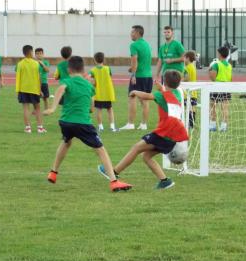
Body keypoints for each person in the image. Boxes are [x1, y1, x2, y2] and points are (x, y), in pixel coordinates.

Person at [43, 56, 132, 192]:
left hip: (66, 122)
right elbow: (91, 108)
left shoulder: (67, 81)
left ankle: (53, 172)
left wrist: (53, 107)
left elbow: (61, 88)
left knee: (66, 142)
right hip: (82, 123)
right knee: (101, 150)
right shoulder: (89, 86)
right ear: (83, 69)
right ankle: (114, 181)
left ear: (69, 69)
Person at [100, 69, 188, 190]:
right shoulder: (177, 93)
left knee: (136, 148)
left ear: (164, 82)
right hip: (171, 137)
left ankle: (114, 172)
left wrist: (134, 91)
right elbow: (168, 95)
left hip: (163, 134)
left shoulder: (161, 95)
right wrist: (162, 89)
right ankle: (165, 181)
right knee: (146, 157)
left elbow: (147, 96)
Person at [120, 25, 153, 130]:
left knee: (132, 97)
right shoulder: (147, 44)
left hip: (139, 76)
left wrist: (133, 74)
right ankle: (144, 124)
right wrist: (132, 68)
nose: (131, 34)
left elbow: (134, 60)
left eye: (132, 32)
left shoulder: (134, 45)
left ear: (138, 33)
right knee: (145, 100)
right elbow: (143, 61)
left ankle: (130, 124)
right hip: (148, 76)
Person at [15, 45, 46, 134]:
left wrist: (17, 90)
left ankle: (28, 128)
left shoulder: (20, 64)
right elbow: (38, 78)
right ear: (30, 52)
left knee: (25, 108)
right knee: (37, 108)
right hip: (34, 89)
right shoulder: (36, 63)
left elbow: (18, 78)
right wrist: (40, 89)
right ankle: (40, 128)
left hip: (23, 89)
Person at [90, 51, 116, 132]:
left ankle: (100, 127)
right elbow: (110, 79)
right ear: (103, 59)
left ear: (95, 60)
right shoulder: (108, 68)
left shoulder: (93, 70)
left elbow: (93, 82)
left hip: (98, 94)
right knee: (110, 109)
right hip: (107, 93)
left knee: (99, 110)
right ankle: (112, 126)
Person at [208, 46, 232, 132]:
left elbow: (212, 78)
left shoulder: (216, 64)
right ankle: (223, 127)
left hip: (216, 87)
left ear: (220, 54)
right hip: (226, 87)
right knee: (225, 108)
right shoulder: (229, 65)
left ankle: (213, 125)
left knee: (212, 106)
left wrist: (209, 70)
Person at [183, 50, 198, 129]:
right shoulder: (193, 66)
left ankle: (190, 123)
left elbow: (187, 78)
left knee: (189, 107)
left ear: (188, 58)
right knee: (193, 107)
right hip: (194, 91)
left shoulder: (187, 68)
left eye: (184, 58)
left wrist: (181, 80)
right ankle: (192, 123)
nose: (183, 60)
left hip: (188, 91)